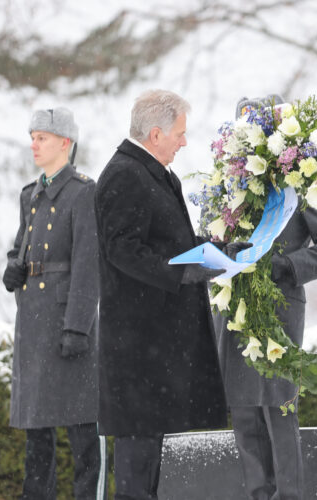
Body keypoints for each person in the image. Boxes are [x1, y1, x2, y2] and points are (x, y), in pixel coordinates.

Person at [94, 89, 246, 500]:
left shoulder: (155, 173)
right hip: (140, 350)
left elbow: (169, 242)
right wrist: (182, 272)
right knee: (136, 473)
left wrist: (216, 252)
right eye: (180, 133)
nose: (184, 142)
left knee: (159, 470)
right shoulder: (124, 174)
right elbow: (121, 249)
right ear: (156, 133)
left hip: (159, 350)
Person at [213, 96, 317, 500]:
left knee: (278, 413)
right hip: (233, 311)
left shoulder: (301, 184)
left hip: (280, 309)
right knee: (243, 415)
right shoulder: (229, 184)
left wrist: (287, 267)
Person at [2, 107, 106, 499]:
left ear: (65, 143)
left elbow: (87, 263)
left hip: (68, 326)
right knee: (37, 440)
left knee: (83, 436)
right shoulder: (30, 194)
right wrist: (13, 269)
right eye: (32, 136)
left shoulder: (84, 192)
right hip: (33, 325)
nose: (34, 143)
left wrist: (78, 326)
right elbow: (20, 249)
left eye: (42, 137)